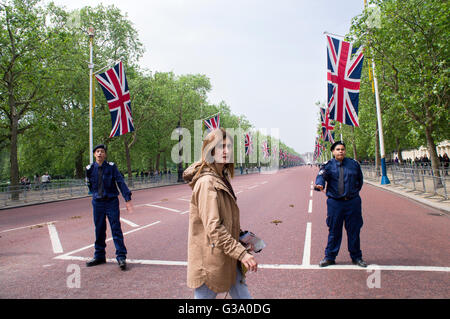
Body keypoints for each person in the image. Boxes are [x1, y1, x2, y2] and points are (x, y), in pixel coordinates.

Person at [183, 128, 258, 299]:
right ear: (209, 150)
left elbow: (226, 220)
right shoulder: (207, 182)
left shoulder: (220, 178)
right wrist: (241, 253)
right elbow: (214, 228)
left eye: (229, 147)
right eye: (220, 146)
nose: (226, 151)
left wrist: (242, 238)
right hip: (210, 261)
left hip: (227, 256)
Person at [313, 141, 367, 268]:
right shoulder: (328, 165)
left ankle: (356, 257)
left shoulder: (353, 164)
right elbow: (321, 177)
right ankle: (330, 257)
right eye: (337, 149)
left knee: (354, 230)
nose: (340, 151)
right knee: (334, 230)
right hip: (335, 203)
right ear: (333, 152)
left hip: (352, 202)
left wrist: (352, 193)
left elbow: (360, 181)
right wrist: (320, 184)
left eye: (342, 149)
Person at [85, 144, 134, 271]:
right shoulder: (90, 169)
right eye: (97, 151)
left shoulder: (111, 167)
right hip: (98, 203)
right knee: (99, 229)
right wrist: (94, 195)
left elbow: (120, 181)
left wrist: (127, 198)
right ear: (94, 154)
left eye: (102, 151)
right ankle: (99, 255)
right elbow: (89, 185)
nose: (100, 153)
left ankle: (121, 256)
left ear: (105, 154)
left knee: (115, 228)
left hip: (111, 201)